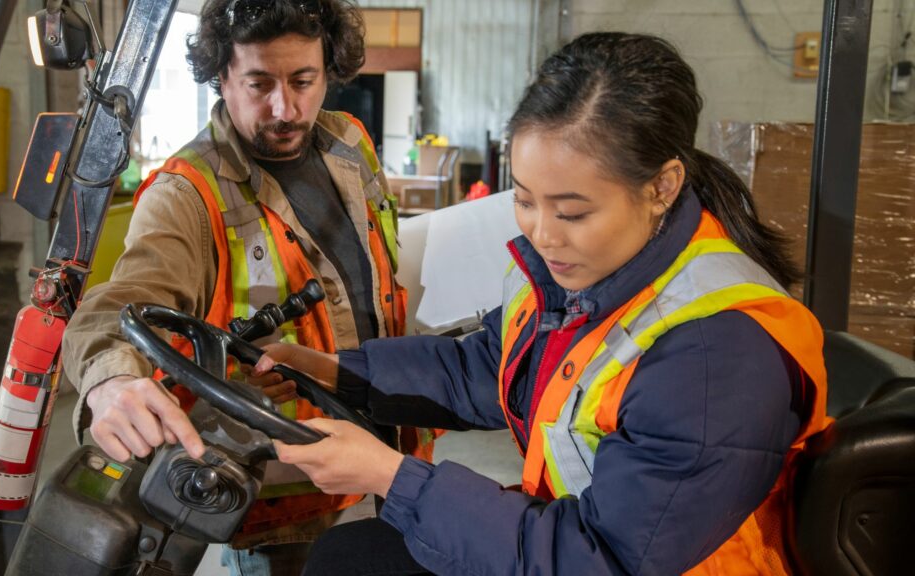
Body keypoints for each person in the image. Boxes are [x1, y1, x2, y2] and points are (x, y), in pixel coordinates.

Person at [252, 32, 831, 575]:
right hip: (566, 535)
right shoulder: (586, 274)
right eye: (526, 201)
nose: (543, 233)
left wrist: (393, 477)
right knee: (352, 556)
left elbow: (600, 559)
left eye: (572, 212)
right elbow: (494, 367)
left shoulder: (714, 354)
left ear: (662, 187)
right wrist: (338, 372)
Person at [60, 0, 437, 573]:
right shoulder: (187, 194)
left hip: (389, 461)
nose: (285, 108)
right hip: (286, 502)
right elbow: (116, 305)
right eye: (259, 83)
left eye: (303, 81)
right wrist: (109, 382)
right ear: (222, 76)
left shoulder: (349, 143)